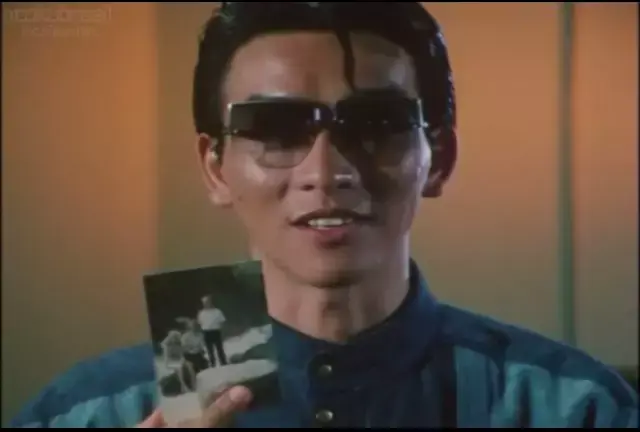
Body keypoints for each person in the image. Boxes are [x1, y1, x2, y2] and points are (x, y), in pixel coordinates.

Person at [10, 2, 638, 428]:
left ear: (439, 158)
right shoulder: (88, 413)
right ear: (215, 167)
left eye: (377, 123)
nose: (327, 169)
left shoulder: (572, 409)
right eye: (275, 127)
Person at [197, 296, 229, 367]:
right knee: (209, 349)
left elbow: (222, 321)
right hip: (207, 332)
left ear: (211, 302)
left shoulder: (217, 311)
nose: (207, 304)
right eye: (205, 303)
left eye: (208, 302)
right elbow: (200, 323)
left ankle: (223, 361)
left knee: (219, 348)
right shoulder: (201, 313)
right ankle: (212, 363)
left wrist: (221, 329)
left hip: (216, 331)